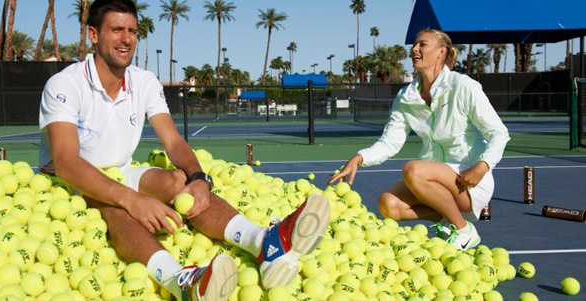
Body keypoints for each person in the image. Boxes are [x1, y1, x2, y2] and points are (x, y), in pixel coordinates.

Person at [38, 1, 330, 300]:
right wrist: (133, 201)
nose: (126, 39)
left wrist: (200, 178)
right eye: (116, 30)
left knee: (179, 182)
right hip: (70, 183)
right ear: (93, 35)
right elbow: (66, 163)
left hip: (120, 170)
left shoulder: (144, 81)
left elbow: (174, 143)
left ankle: (264, 243)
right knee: (116, 207)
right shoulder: (64, 84)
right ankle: (182, 282)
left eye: (132, 31)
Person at [329, 29, 509, 251]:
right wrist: (359, 158)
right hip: (431, 182)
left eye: (422, 44)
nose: (414, 49)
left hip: (467, 180)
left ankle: (464, 230)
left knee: (413, 170)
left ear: (441, 52)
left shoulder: (463, 86)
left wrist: (482, 167)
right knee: (388, 204)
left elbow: (498, 133)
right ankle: (447, 222)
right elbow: (390, 141)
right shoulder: (406, 97)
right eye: (414, 45)